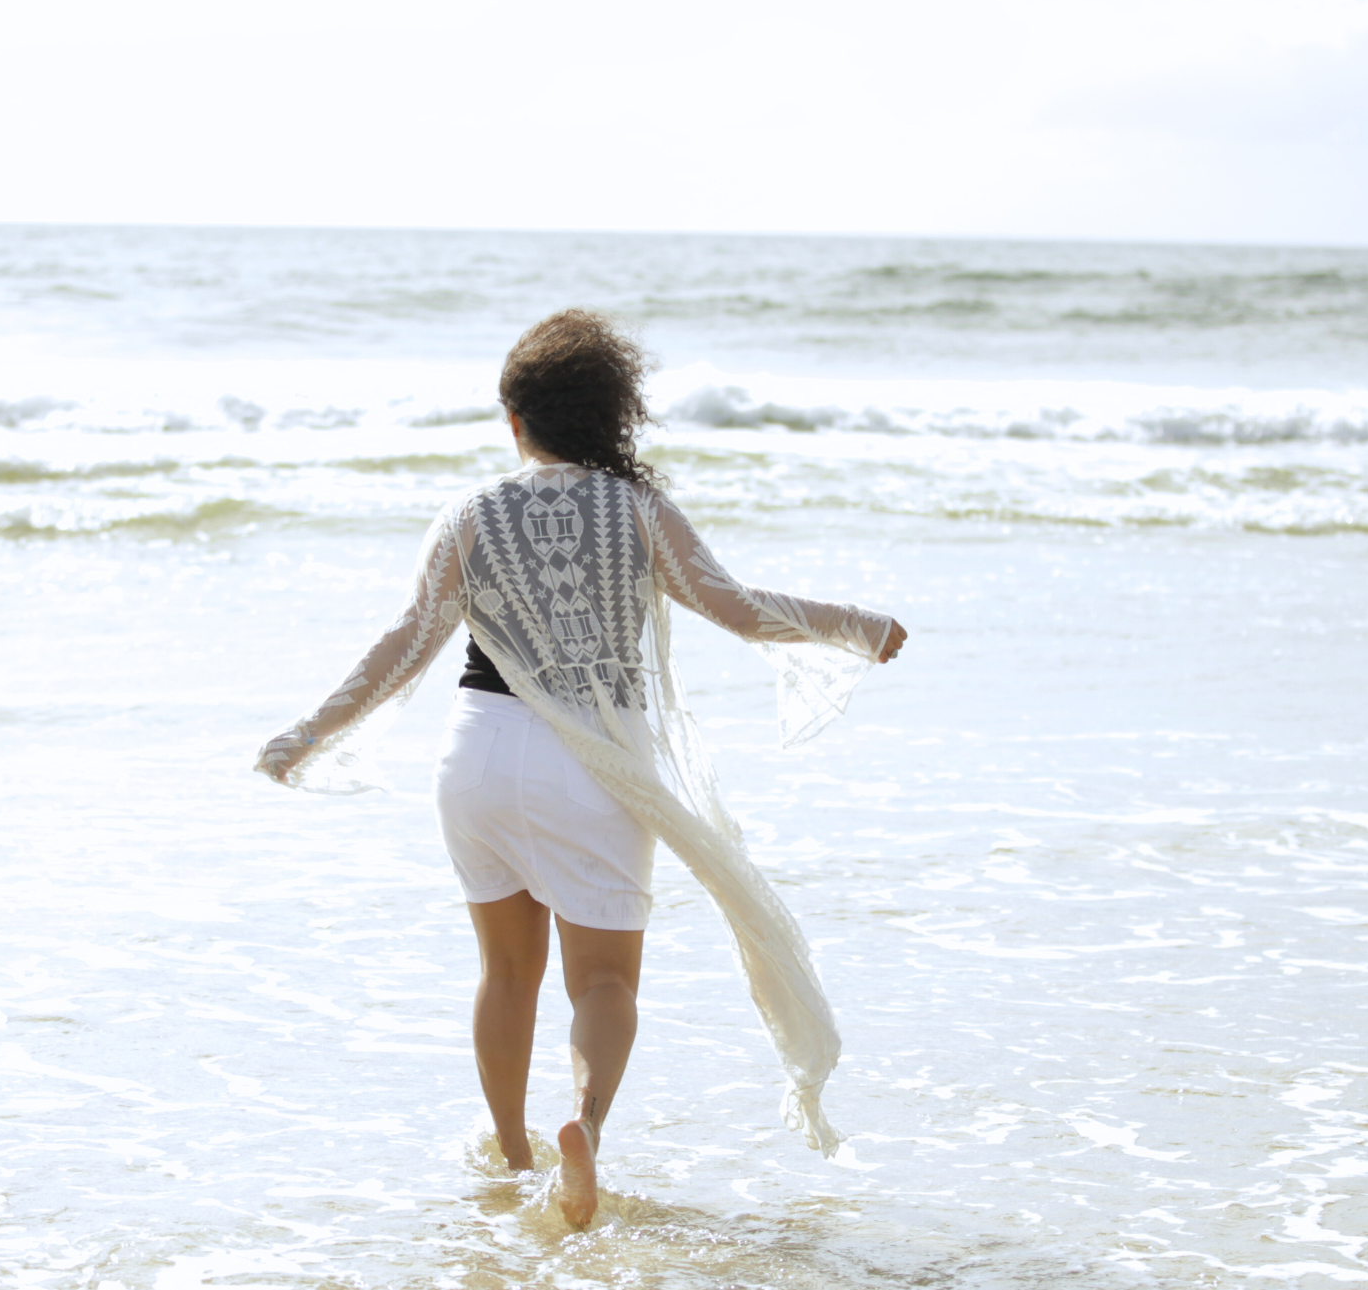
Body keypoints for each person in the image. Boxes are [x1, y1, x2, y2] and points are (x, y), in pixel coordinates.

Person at [255, 311, 904, 1229]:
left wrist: (307, 732)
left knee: (503, 972)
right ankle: (585, 1130)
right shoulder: (638, 511)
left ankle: (513, 1156)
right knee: (603, 982)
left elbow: (407, 643)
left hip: (477, 754)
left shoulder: (469, 515)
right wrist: (858, 626)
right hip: (591, 764)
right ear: (613, 417)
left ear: (516, 422)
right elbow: (737, 608)